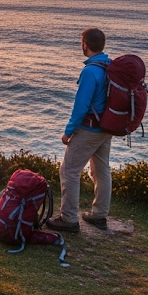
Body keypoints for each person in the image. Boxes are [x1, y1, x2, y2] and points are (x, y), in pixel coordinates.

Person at [44, 28, 112, 233]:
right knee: (101, 170)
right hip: (106, 128)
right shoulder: (109, 65)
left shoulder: (90, 71)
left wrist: (68, 131)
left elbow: (81, 106)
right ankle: (99, 216)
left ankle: (69, 219)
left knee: (69, 171)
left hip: (90, 129)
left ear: (85, 44)